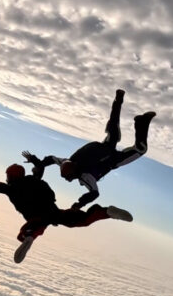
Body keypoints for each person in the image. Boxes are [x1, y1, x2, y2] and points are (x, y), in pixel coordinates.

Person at [0, 154, 133, 262]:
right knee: (80, 220)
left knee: (34, 225)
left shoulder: (9, 187)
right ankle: (105, 212)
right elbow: (39, 171)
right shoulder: (33, 179)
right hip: (54, 212)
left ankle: (29, 237)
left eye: (7, 176)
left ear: (10, 176)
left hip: (38, 216)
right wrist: (34, 161)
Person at [25, 89, 155, 209]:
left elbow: (94, 193)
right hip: (109, 153)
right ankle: (135, 116)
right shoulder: (72, 165)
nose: (70, 179)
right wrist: (37, 161)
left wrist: (79, 204)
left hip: (109, 154)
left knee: (136, 146)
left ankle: (137, 118)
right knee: (118, 132)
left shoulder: (83, 175)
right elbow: (52, 159)